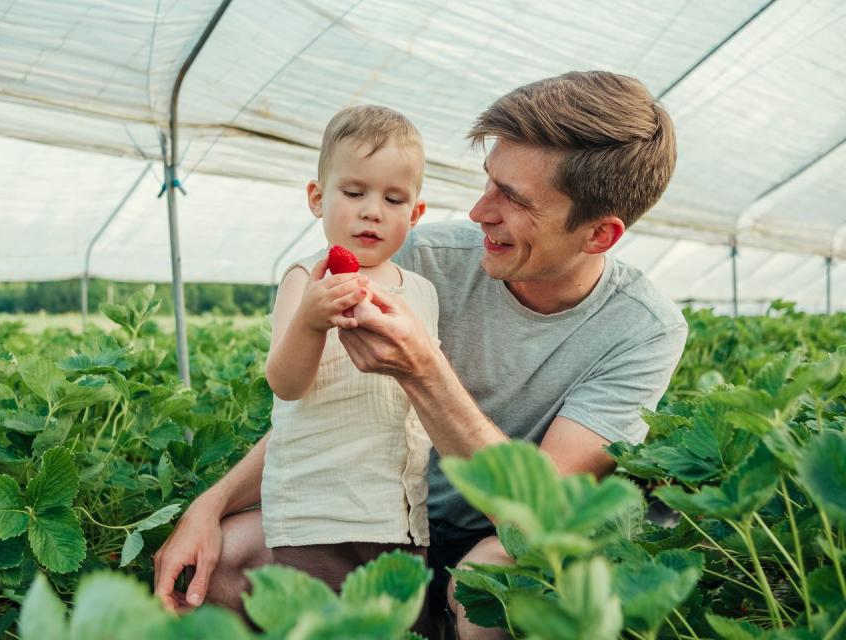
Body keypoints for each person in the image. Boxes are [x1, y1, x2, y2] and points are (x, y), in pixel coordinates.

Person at [153, 71, 686, 640]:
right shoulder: (417, 257)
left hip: (493, 540)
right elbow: (328, 401)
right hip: (377, 516)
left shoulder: (642, 329)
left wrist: (422, 368)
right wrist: (210, 504)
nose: (481, 211)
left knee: (498, 593)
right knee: (218, 566)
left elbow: (536, 518)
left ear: (599, 235)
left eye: (516, 199)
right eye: (489, 182)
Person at [260, 104, 438, 608]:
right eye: (355, 192)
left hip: (400, 516)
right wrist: (312, 322)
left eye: (394, 198)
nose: (372, 210)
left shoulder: (422, 293)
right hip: (319, 513)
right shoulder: (306, 279)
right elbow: (286, 384)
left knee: (402, 625)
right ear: (318, 198)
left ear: (416, 214)